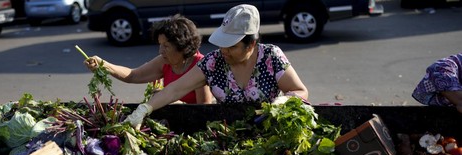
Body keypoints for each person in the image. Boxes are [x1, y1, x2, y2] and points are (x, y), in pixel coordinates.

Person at [125, 4, 309, 129]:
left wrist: (283, 102)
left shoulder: (271, 56)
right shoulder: (213, 63)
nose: (224, 51)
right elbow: (175, 90)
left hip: (270, 134)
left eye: (232, 47)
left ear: (251, 44)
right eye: (222, 44)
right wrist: (144, 109)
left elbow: (300, 91)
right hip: (228, 136)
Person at [84, 14, 213, 104]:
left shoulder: (199, 66)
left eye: (166, 46)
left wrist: (174, 102)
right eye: (160, 45)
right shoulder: (165, 61)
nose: (160, 51)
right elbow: (133, 75)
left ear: (183, 47)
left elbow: (205, 107)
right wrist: (104, 65)